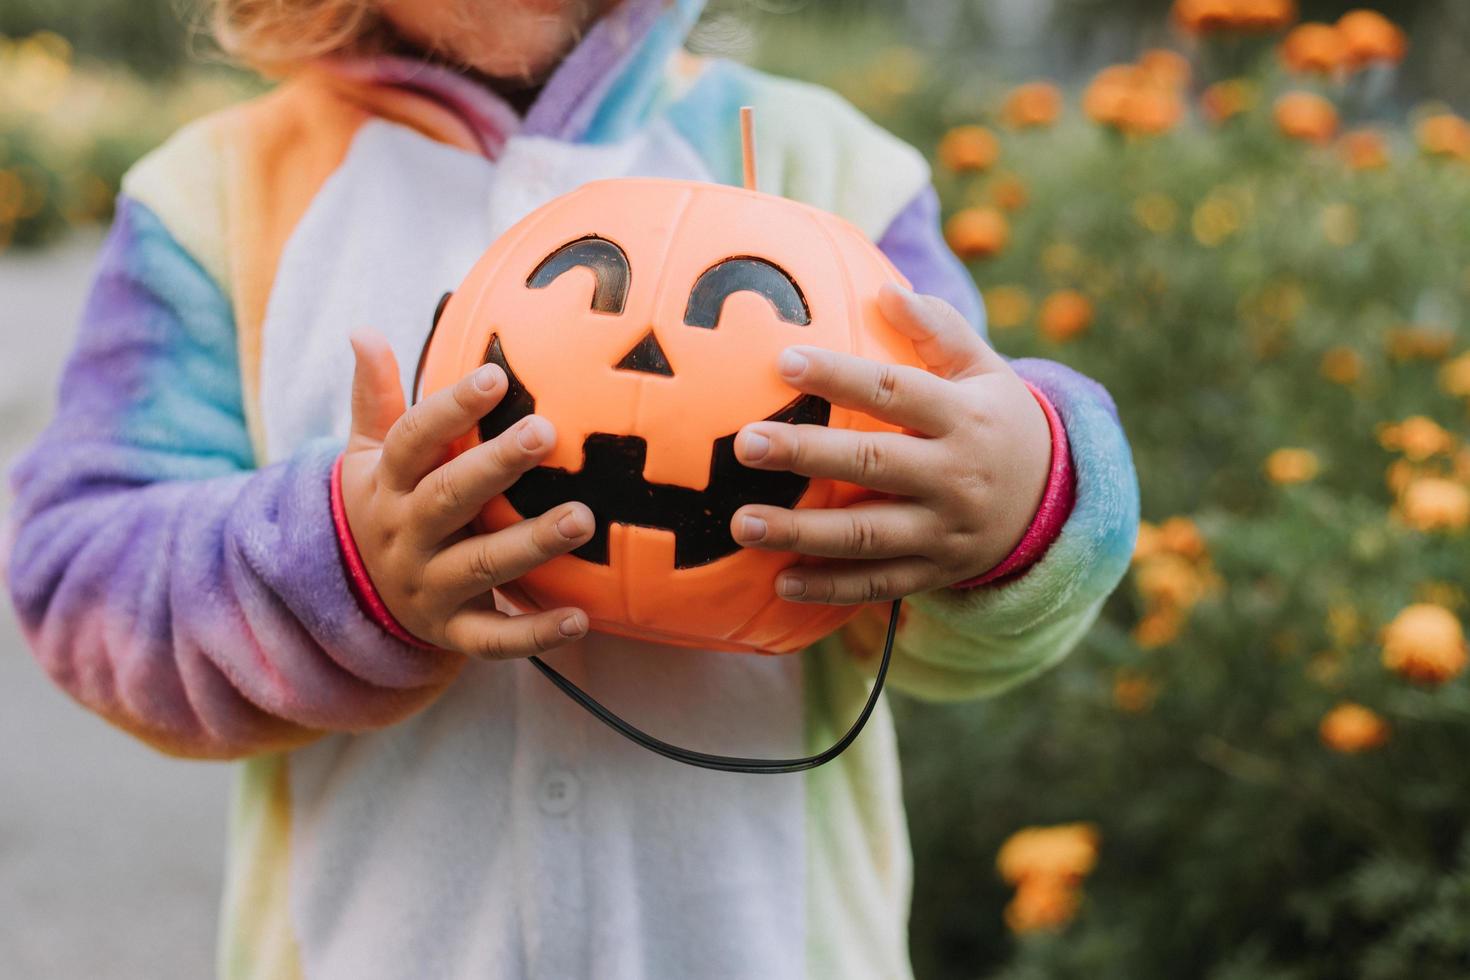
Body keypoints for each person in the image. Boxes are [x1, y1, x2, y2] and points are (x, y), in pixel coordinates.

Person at [3, 0, 1138, 976]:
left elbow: (937, 623)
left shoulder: (840, 180)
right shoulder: (215, 202)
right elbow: (81, 575)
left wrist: (1027, 500)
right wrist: (338, 563)